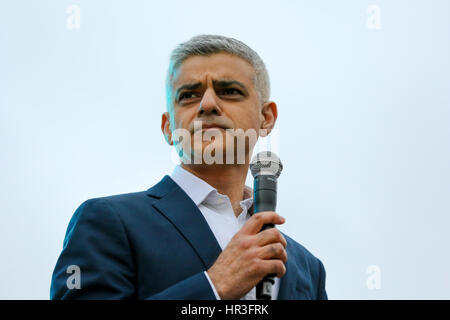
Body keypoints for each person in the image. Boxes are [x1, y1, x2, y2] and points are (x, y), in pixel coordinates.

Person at [50, 34, 328, 300]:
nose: (207, 104)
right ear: (169, 128)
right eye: (188, 96)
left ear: (266, 118)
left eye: (229, 91)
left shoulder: (307, 267)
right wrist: (214, 286)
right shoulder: (107, 222)